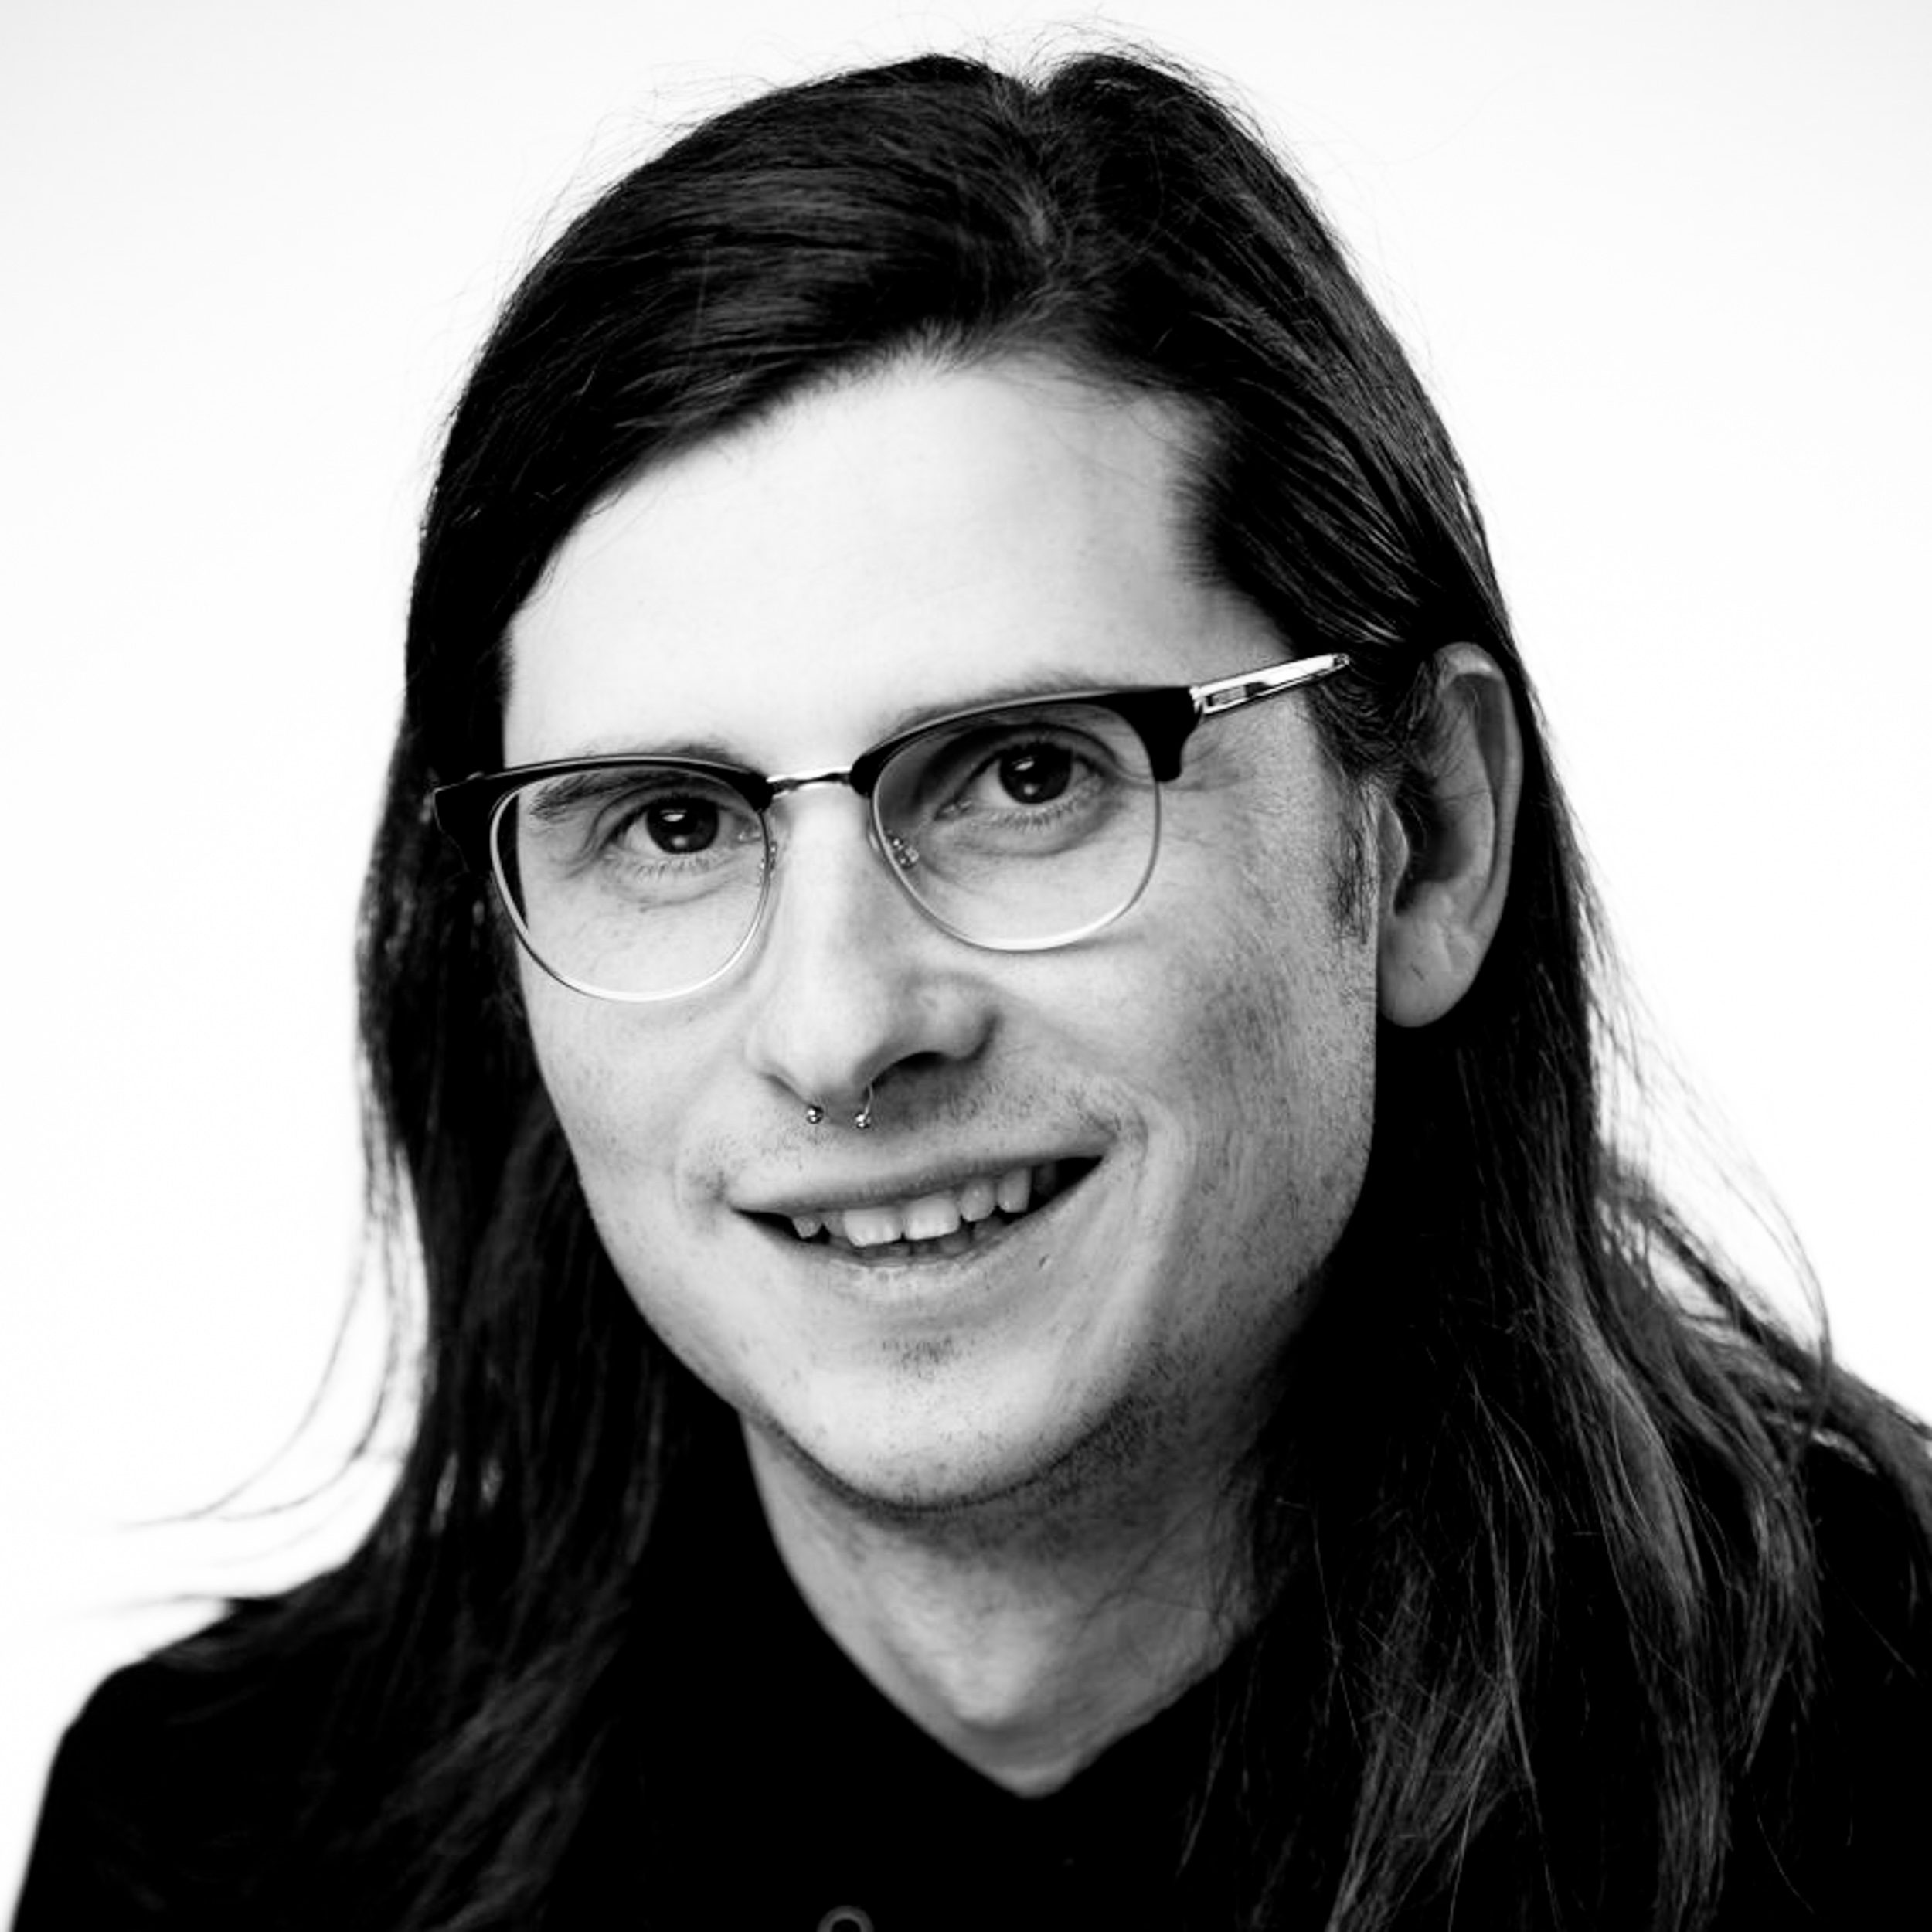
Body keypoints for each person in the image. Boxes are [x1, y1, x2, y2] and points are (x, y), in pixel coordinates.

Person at [17, 47, 1931, 1932]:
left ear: (1418, 835)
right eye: (671, 824)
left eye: (1028, 774)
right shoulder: (228, 1846)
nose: (840, 1025)